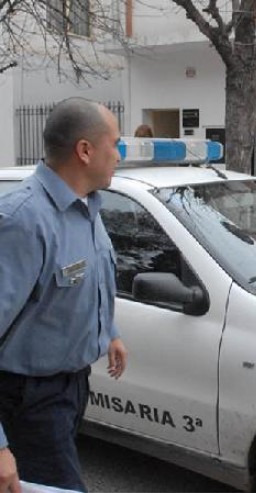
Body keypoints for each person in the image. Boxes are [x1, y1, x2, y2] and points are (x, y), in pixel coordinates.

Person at [0, 98, 128, 493]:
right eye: (116, 144)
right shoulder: (23, 219)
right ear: (85, 151)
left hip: (71, 386)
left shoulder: (87, 205)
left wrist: (110, 332)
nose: (119, 156)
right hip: (26, 399)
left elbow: (90, 279)